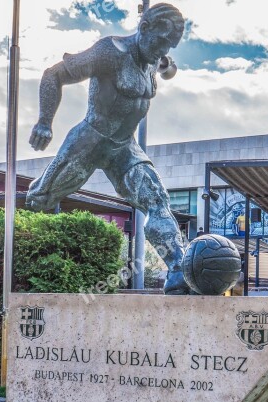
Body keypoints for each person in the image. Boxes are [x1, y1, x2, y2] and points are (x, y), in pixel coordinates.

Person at [26, 4, 189, 294]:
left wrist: (168, 67)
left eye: (169, 45)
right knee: (40, 200)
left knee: (157, 200)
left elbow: (167, 66)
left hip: (125, 149)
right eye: (160, 41)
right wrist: (44, 122)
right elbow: (53, 75)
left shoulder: (155, 56)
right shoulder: (109, 52)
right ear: (144, 28)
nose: (162, 50)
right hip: (90, 140)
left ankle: (179, 271)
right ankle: (23, 260)